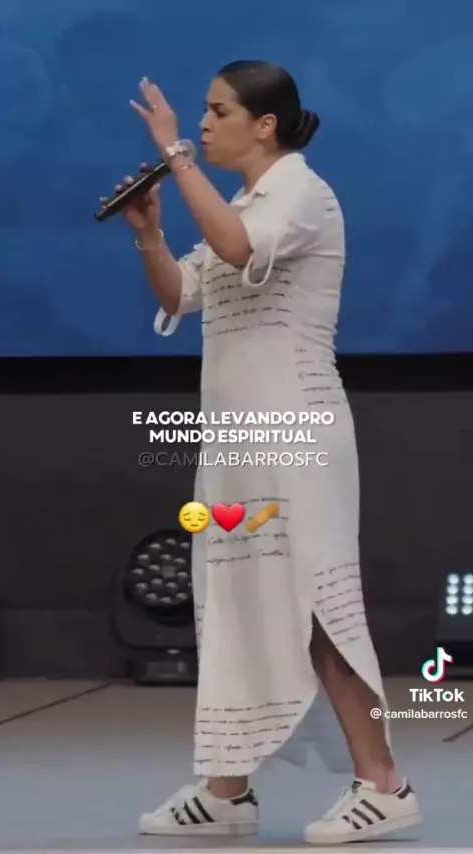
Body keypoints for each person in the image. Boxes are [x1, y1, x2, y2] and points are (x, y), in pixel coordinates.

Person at [102, 60, 422, 845]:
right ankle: (226, 791)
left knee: (319, 605)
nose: (203, 126)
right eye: (202, 115)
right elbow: (182, 293)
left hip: (298, 432)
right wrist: (148, 234)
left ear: (265, 124)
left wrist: (174, 156)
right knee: (235, 605)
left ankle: (386, 785)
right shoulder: (241, 202)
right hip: (237, 440)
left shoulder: (302, 193)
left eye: (217, 112)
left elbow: (242, 249)